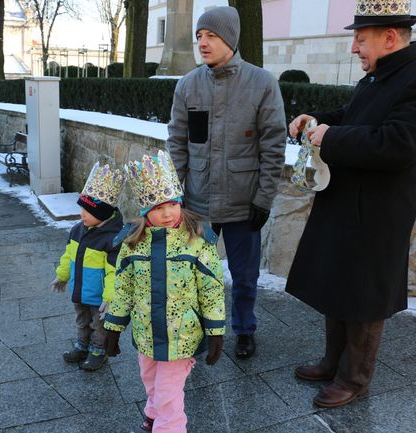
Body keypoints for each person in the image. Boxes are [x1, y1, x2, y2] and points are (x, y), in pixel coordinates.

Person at [285, 0, 416, 409]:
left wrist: (330, 138)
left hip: (379, 213)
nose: (354, 48)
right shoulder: (380, 75)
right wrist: (314, 119)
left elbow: (398, 146)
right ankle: (332, 362)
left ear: (389, 37)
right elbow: (350, 115)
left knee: (363, 296)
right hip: (346, 202)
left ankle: (354, 378)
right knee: (338, 282)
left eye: (360, 39)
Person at [166, 6, 286, 359]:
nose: (202, 43)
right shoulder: (188, 85)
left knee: (245, 276)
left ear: (230, 39)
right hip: (198, 203)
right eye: (199, 36)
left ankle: (245, 329)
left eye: (211, 36)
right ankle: (198, 329)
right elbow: (177, 143)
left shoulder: (262, 84)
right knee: (193, 273)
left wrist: (263, 199)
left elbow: (273, 145)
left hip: (242, 202)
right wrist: (174, 198)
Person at [104, 150, 226, 433]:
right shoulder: (132, 244)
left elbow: (211, 289)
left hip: (182, 336)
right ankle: (152, 412)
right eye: (158, 207)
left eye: (172, 204)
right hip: (146, 333)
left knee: (170, 396)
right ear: (146, 212)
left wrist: (216, 330)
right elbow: (123, 288)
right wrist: (113, 327)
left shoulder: (198, 241)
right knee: (151, 380)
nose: (167, 213)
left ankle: (167, 425)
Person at [51, 162, 125, 371]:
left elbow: (114, 271)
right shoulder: (77, 230)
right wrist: (62, 276)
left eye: (86, 211)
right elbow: (68, 256)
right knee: (81, 321)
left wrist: (110, 297)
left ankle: (98, 352)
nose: (81, 214)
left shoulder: (112, 240)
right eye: (81, 210)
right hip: (79, 290)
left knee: (99, 326)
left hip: (99, 297)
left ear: (101, 214)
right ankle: (82, 346)